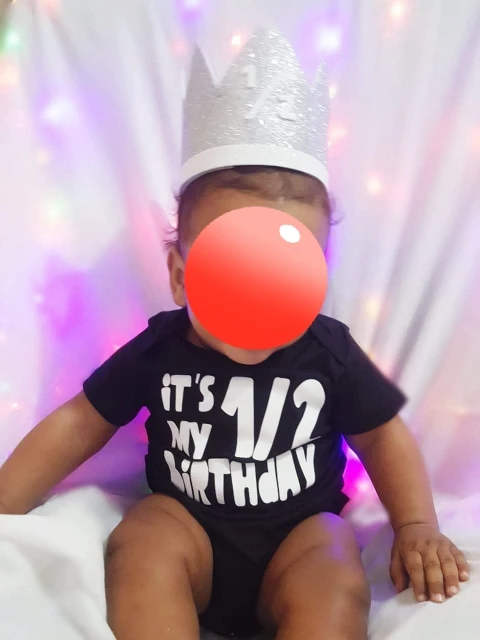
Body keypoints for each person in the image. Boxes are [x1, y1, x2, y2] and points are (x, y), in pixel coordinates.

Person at [0, 28, 470, 640]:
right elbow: (79, 421)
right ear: (180, 276)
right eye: (232, 270)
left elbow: (382, 435)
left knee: (334, 562)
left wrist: (415, 526)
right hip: (188, 532)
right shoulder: (162, 347)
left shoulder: (327, 351)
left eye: (285, 271)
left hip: (298, 541)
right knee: (143, 539)